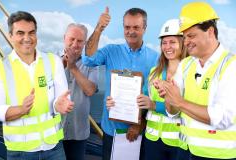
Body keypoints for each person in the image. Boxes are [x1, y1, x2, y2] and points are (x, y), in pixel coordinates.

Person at [154, 2, 236, 160]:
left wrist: (179, 101)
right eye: (184, 37)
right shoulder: (186, 65)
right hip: (185, 151)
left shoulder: (231, 65)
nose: (186, 42)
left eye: (191, 36)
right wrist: (169, 96)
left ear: (210, 32)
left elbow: (223, 118)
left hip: (219, 156)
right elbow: (173, 113)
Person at [82, 7, 159, 160]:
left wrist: (140, 123)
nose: (131, 31)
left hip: (140, 131)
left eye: (136, 27)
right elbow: (88, 59)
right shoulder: (111, 51)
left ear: (145, 28)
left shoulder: (155, 58)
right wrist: (99, 28)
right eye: (127, 27)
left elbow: (155, 95)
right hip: (112, 131)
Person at [0, 11, 74, 160]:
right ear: (10, 36)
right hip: (19, 152)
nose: (27, 38)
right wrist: (21, 110)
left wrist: (60, 105)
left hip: (54, 148)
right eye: (20, 33)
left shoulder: (53, 61)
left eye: (31, 33)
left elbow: (61, 98)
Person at [140, 19, 189, 160]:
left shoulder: (191, 72)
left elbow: (190, 108)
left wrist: (155, 105)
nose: (168, 47)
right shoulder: (153, 72)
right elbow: (144, 100)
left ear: (183, 43)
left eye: (172, 42)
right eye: (164, 42)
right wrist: (118, 102)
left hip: (178, 142)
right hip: (152, 139)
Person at [61, 23, 98, 160]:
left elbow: (90, 90)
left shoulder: (91, 65)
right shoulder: (52, 62)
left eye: (80, 41)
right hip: (54, 132)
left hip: (79, 134)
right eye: (71, 39)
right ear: (64, 38)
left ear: (85, 43)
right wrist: (63, 64)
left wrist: (73, 68)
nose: (75, 44)